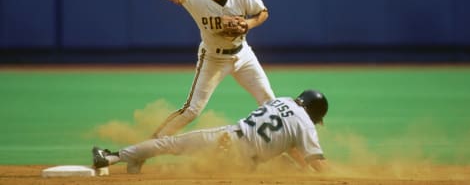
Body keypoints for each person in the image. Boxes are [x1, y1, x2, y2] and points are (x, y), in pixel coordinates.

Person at [150, 0, 275, 138]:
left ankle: (291, 151)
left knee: (269, 102)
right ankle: (148, 146)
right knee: (191, 110)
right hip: (213, 59)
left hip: (243, 55)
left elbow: (263, 13)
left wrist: (249, 24)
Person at [92, 90, 329, 174]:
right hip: (245, 164)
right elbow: (315, 163)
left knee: (171, 145)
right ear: (315, 114)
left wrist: (302, 165)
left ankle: (113, 157)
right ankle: (131, 161)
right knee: (284, 164)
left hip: (230, 139)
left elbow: (290, 143)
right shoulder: (305, 124)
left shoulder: (281, 100)